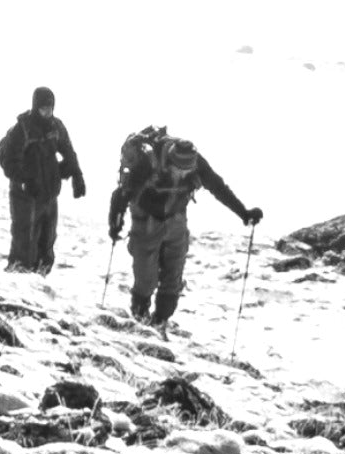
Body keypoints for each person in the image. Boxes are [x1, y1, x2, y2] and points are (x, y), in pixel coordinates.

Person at [104, 121, 260, 327]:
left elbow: (218, 187)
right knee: (146, 277)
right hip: (146, 218)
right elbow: (120, 196)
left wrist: (244, 213)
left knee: (173, 275)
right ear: (170, 161)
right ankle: (140, 318)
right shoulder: (147, 162)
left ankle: (160, 321)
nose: (184, 174)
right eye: (180, 169)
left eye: (188, 170)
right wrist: (115, 223)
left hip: (176, 218)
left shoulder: (196, 163)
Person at [0, 87, 85, 271]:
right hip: (25, 195)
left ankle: (41, 277)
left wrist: (77, 175)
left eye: (50, 108)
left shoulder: (56, 126)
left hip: (49, 192)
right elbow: (10, 162)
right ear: (35, 106)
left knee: (47, 240)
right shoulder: (22, 129)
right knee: (25, 239)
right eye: (43, 108)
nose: (47, 112)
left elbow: (68, 151)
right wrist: (25, 180)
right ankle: (18, 274)